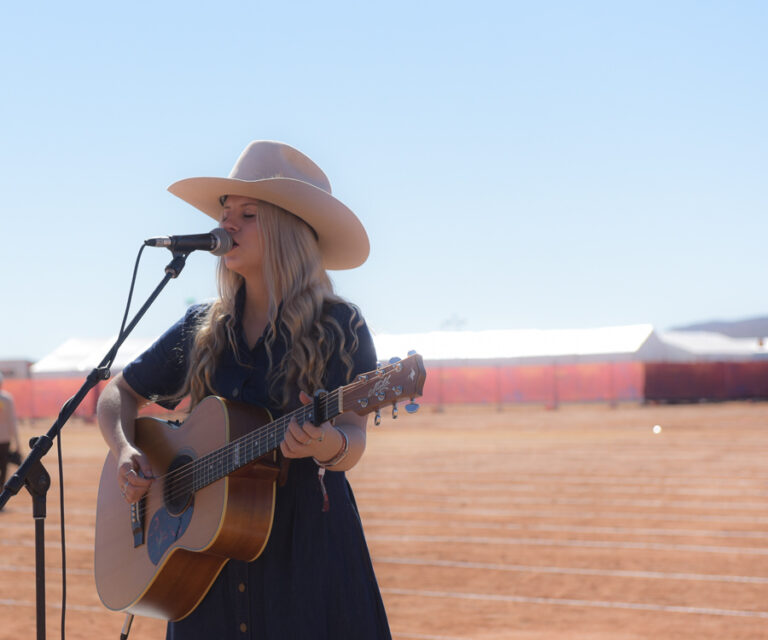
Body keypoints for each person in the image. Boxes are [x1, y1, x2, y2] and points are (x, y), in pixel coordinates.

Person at [97, 141, 391, 639]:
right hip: (203, 570)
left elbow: (352, 438)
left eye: (248, 214)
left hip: (304, 559)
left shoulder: (339, 326)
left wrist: (324, 443)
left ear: (288, 230)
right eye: (224, 212)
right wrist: (125, 449)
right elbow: (117, 393)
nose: (226, 225)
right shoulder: (202, 328)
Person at [0, 372, 21, 490]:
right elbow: (12, 421)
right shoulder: (7, 399)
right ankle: (1, 492)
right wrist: (17, 443)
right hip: (5, 437)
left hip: (4, 437)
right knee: (3, 465)